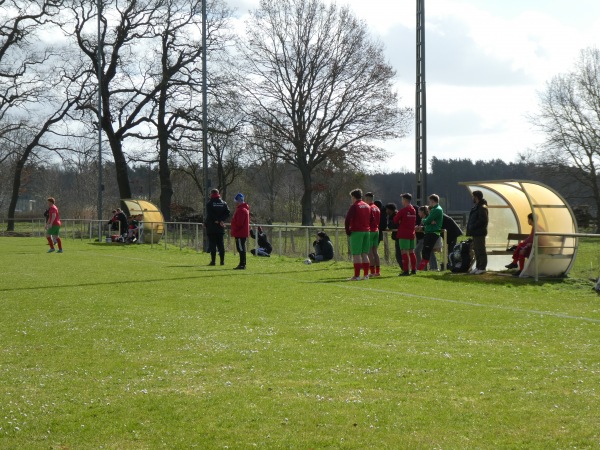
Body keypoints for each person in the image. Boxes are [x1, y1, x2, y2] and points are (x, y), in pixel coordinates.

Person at [344, 188, 372, 281]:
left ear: (353, 197)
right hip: (367, 231)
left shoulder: (355, 206)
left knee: (356, 254)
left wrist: (348, 230)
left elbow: (347, 219)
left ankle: (356, 276)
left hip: (357, 232)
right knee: (365, 254)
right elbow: (372, 219)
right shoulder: (367, 206)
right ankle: (366, 275)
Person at [417, 194, 443, 271]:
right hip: (429, 231)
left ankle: (423, 268)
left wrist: (424, 220)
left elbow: (427, 220)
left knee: (427, 250)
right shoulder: (434, 209)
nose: (429, 203)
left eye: (430, 201)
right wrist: (429, 221)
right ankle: (423, 268)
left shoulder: (436, 210)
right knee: (426, 250)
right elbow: (429, 221)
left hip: (432, 232)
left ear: (432, 201)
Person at [394, 193, 417, 276]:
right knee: (411, 252)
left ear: (404, 200)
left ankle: (406, 270)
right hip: (412, 233)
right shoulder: (413, 210)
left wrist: (400, 220)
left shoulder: (403, 210)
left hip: (403, 233)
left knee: (404, 252)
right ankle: (414, 269)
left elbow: (395, 220)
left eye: (402, 199)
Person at [206, 188, 230, 265]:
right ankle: (222, 261)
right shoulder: (224, 203)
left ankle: (213, 261)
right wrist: (221, 220)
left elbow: (210, 214)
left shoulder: (209, 203)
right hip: (220, 227)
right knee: (221, 244)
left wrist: (216, 220)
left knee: (212, 244)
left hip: (212, 227)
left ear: (211, 194)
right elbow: (227, 213)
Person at [466, 190, 489, 275]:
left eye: (473, 197)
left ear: (476, 197)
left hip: (479, 232)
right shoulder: (477, 206)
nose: (473, 198)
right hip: (475, 232)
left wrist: (473, 226)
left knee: (481, 250)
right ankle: (478, 266)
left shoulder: (482, 207)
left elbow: (483, 220)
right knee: (476, 250)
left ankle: (482, 267)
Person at [230, 192, 250, 270]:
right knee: (241, 248)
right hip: (241, 232)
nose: (235, 204)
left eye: (236, 202)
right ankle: (242, 264)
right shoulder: (243, 209)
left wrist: (234, 227)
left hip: (240, 233)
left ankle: (242, 264)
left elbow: (239, 223)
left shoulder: (241, 210)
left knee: (241, 249)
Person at [365, 192, 381, 277]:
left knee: (369, 251)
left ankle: (372, 271)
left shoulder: (369, 208)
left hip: (370, 231)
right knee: (375, 251)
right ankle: (378, 271)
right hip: (376, 230)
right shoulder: (377, 208)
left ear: (367, 199)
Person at [385, 203, 402, 269]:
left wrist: (389, 225)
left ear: (390, 210)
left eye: (387, 209)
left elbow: (392, 225)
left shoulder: (395, 216)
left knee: (398, 254)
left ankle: (404, 268)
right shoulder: (393, 215)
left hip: (399, 236)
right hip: (397, 236)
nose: (386, 211)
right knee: (399, 254)